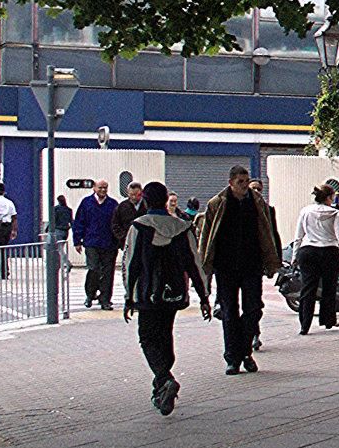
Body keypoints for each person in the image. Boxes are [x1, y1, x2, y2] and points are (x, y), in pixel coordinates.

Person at [123, 179, 211, 416]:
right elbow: (194, 263)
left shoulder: (138, 227)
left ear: (144, 199)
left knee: (147, 338)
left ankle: (164, 378)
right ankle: (161, 386)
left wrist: (128, 297)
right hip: (173, 293)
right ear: (165, 200)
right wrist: (203, 296)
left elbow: (131, 264)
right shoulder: (182, 228)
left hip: (147, 293)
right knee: (165, 333)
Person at [197, 166, 278, 375]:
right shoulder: (217, 204)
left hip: (251, 264)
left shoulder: (258, 202)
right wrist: (205, 264)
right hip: (226, 266)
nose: (245, 185)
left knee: (253, 309)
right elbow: (207, 236)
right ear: (231, 182)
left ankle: (243, 352)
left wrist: (271, 261)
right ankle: (233, 357)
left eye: (246, 180)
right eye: (240, 182)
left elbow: (268, 232)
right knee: (229, 311)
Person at [293, 184, 339, 334]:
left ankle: (304, 325)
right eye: (333, 197)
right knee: (329, 287)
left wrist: (294, 256)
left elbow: (298, 236)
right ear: (328, 198)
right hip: (329, 252)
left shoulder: (305, 211)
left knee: (308, 288)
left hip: (308, 251)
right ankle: (328, 320)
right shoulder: (334, 213)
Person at [246, 178, 282, 352]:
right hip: (236, 265)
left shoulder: (268, 210)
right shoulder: (236, 207)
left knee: (254, 302)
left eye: (259, 189)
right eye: (253, 188)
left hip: (256, 263)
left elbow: (273, 235)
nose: (257, 192)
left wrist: (274, 262)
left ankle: (254, 333)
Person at [72, 180, 120, 309]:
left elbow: (117, 223)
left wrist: (119, 241)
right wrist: (77, 241)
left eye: (105, 188)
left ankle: (105, 299)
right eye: (100, 188)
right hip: (91, 242)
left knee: (108, 272)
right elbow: (79, 222)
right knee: (93, 269)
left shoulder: (112, 204)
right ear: (94, 188)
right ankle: (90, 294)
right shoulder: (86, 203)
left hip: (109, 244)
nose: (103, 190)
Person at [111, 181, 143, 271]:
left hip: (144, 242)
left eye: (136, 194)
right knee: (129, 267)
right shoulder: (122, 207)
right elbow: (115, 224)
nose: (133, 197)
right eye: (131, 194)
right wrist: (123, 238)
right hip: (128, 243)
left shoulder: (147, 206)